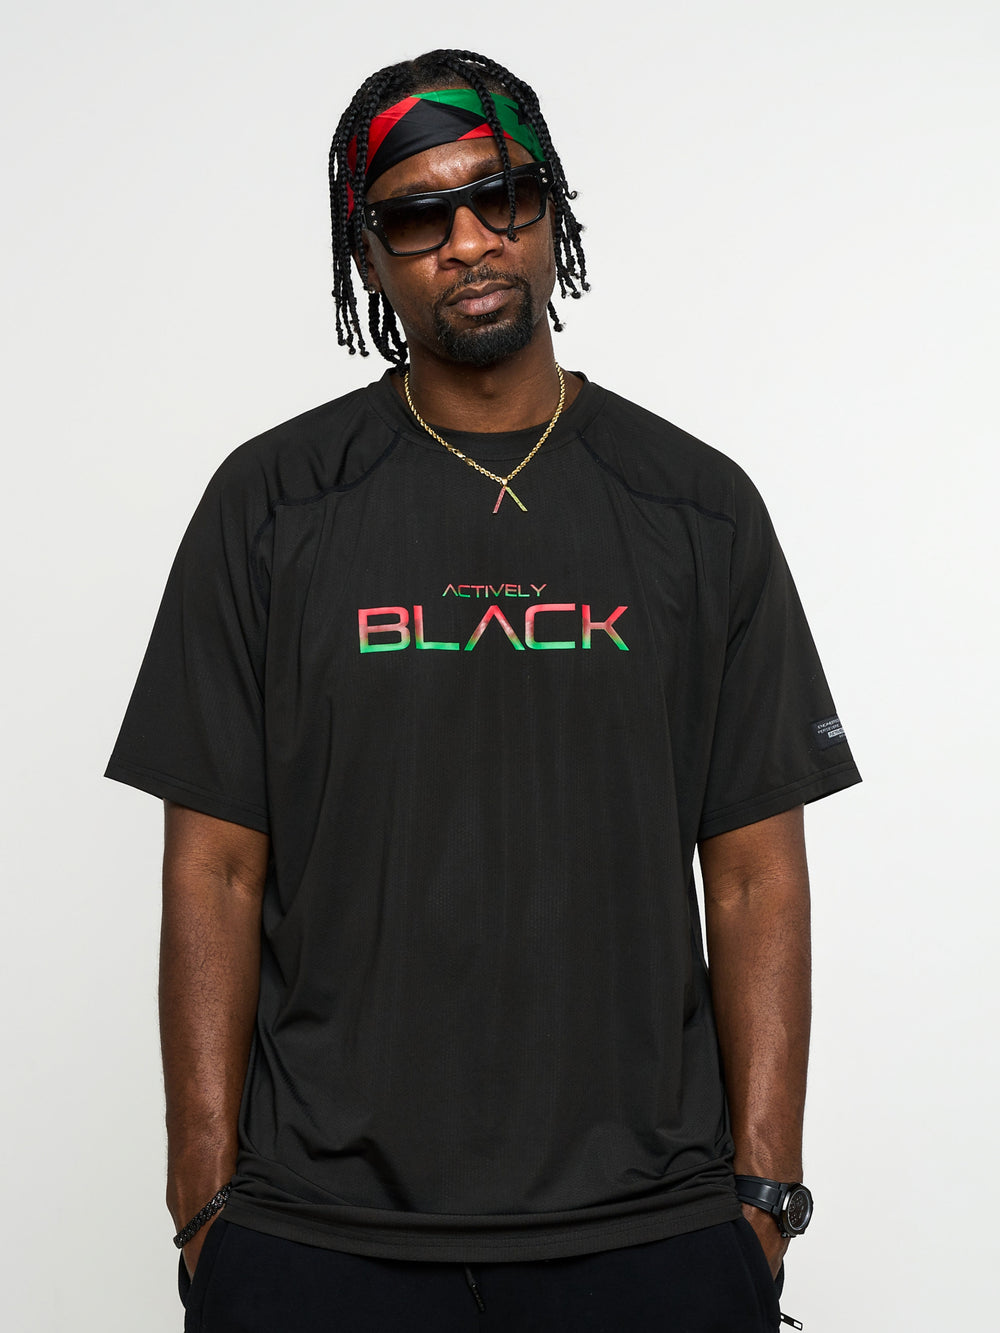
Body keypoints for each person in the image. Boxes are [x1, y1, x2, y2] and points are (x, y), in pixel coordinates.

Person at [106, 48, 860, 1332]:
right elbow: (215, 867)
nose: (467, 240)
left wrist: (764, 1194)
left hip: (652, 1226)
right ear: (367, 255)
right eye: (416, 216)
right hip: (317, 1231)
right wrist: (203, 1199)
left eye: (499, 196)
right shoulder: (272, 504)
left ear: (551, 210)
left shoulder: (696, 506)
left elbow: (751, 871)